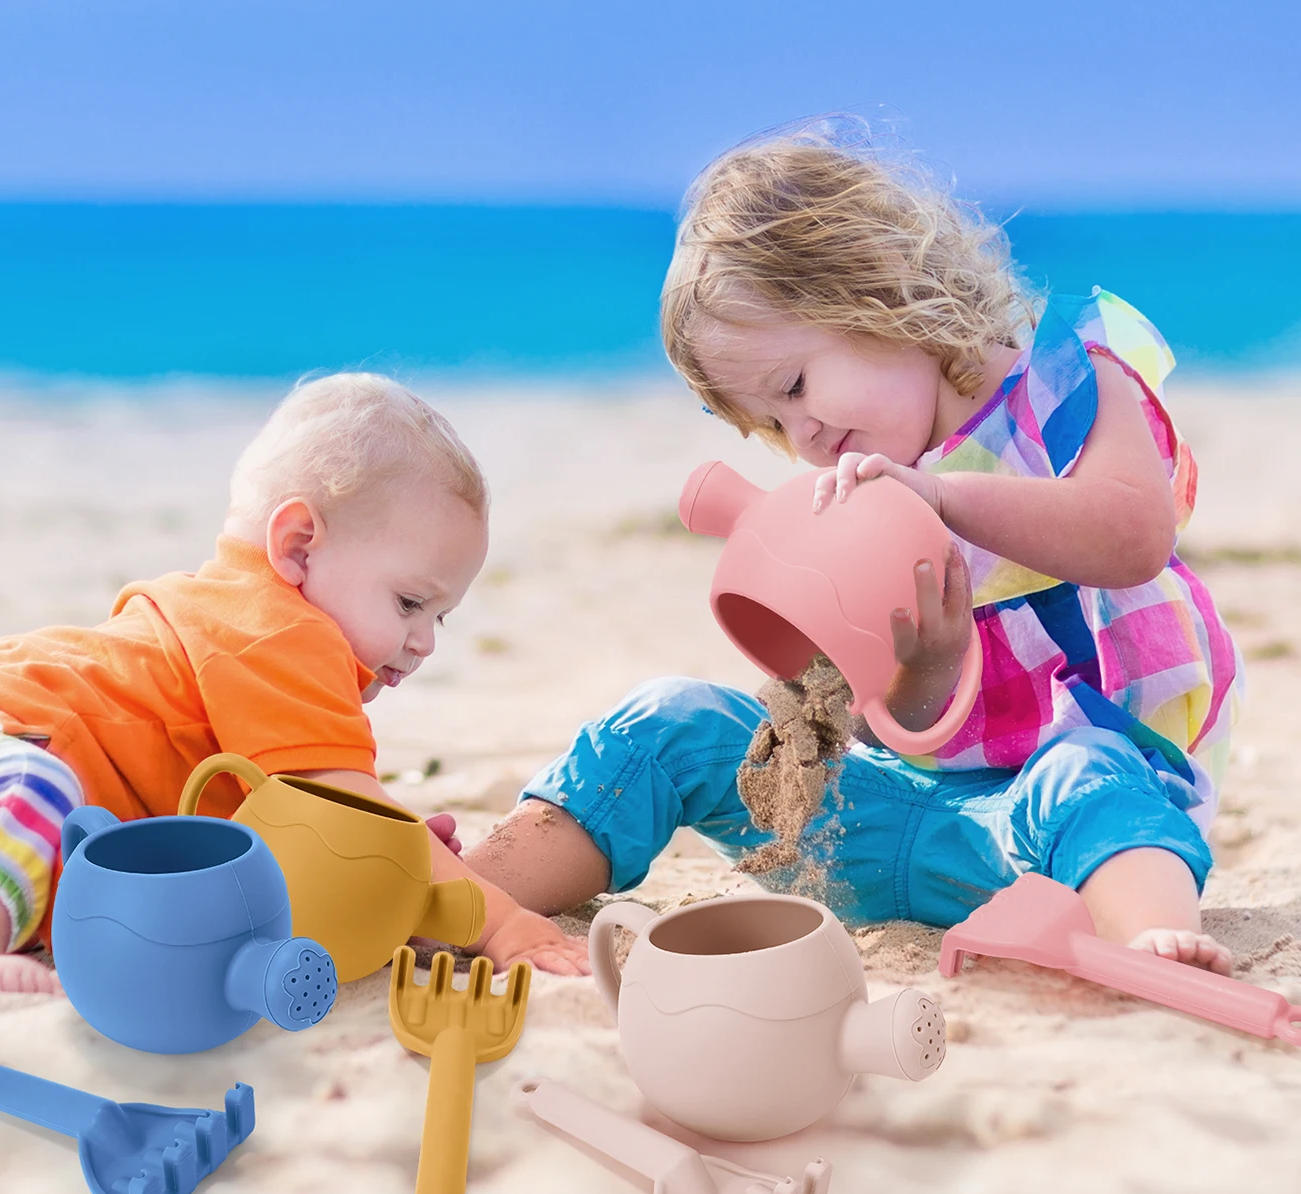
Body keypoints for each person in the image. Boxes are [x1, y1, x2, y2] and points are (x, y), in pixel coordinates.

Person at [465, 121, 1241, 973]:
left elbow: (1134, 534)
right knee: (670, 722)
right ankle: (465, 896)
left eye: (796, 384)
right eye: (770, 421)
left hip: (1078, 839)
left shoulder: (1069, 380)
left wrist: (945, 498)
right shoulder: (860, 499)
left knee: (1086, 767)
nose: (804, 432)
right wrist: (929, 671)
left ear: (877, 288)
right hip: (894, 835)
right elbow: (889, 730)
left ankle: (1151, 950)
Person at [0, 372, 590, 991]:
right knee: (34, 785)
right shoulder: (278, 626)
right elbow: (348, 800)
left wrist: (383, 867)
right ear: (296, 546)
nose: (422, 643)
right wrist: (497, 922)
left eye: (442, 618)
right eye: (410, 603)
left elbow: (314, 832)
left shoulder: (251, 639)